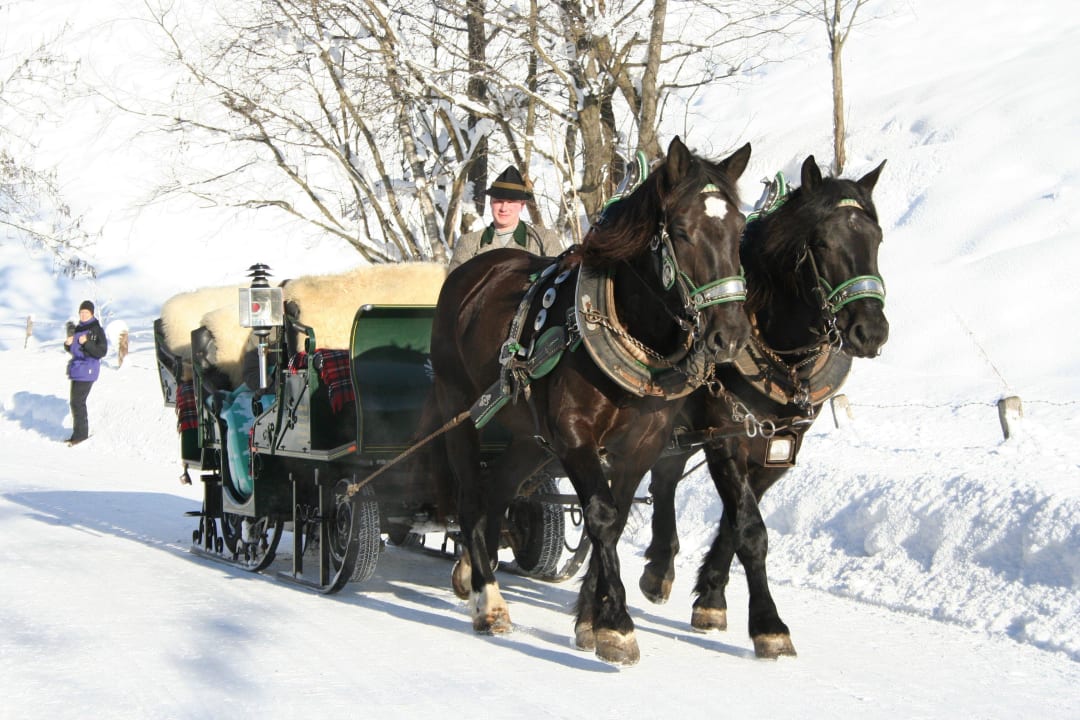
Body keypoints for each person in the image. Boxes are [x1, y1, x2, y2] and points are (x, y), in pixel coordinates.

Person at [449, 166, 565, 272]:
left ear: (522, 205)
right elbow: (454, 289)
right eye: (498, 201)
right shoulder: (469, 243)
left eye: (511, 202)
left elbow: (559, 282)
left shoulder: (544, 240)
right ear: (491, 203)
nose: (504, 208)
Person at [64, 300, 107, 445]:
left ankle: (81, 436)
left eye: (86, 313)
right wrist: (68, 345)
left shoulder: (96, 329)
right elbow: (75, 351)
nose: (83, 315)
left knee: (78, 402)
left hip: (88, 369)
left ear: (92, 314)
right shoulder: (78, 329)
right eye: (81, 313)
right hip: (77, 369)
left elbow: (101, 351)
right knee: (75, 402)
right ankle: (77, 434)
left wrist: (86, 343)